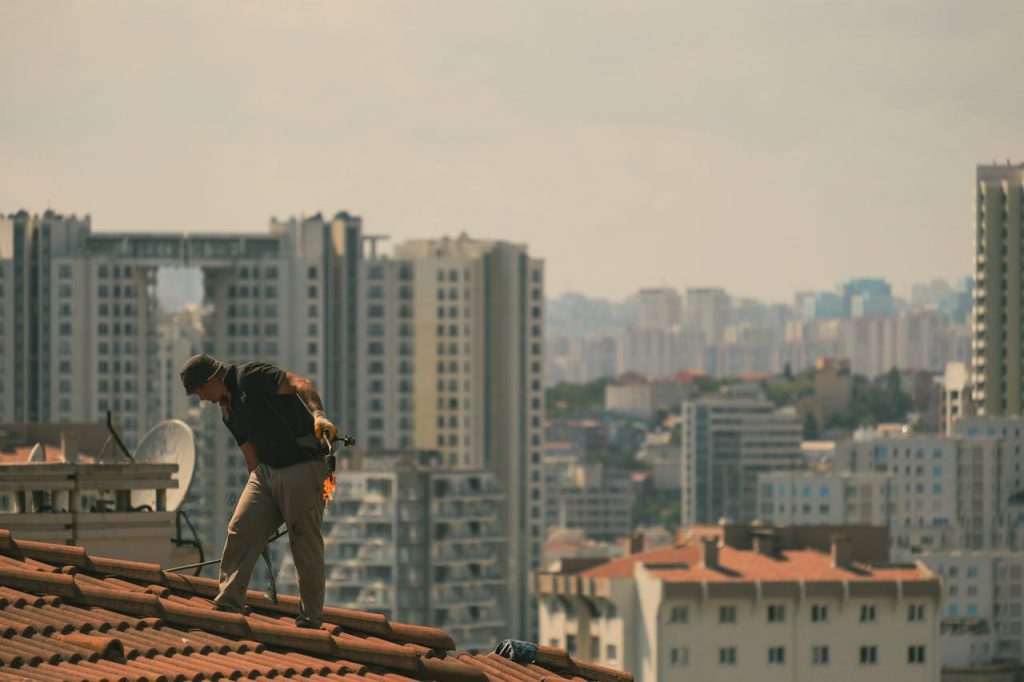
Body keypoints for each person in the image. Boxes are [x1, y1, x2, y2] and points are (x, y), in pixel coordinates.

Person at [179, 353, 337, 628]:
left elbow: (301, 383)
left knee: (304, 541)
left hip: (302, 466)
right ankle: (229, 602)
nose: (202, 399)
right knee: (241, 528)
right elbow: (250, 455)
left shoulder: (250, 377)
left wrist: (319, 415)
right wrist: (266, 510)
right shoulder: (227, 411)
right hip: (265, 474)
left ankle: (310, 617)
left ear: (211, 379)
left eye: (200, 391)